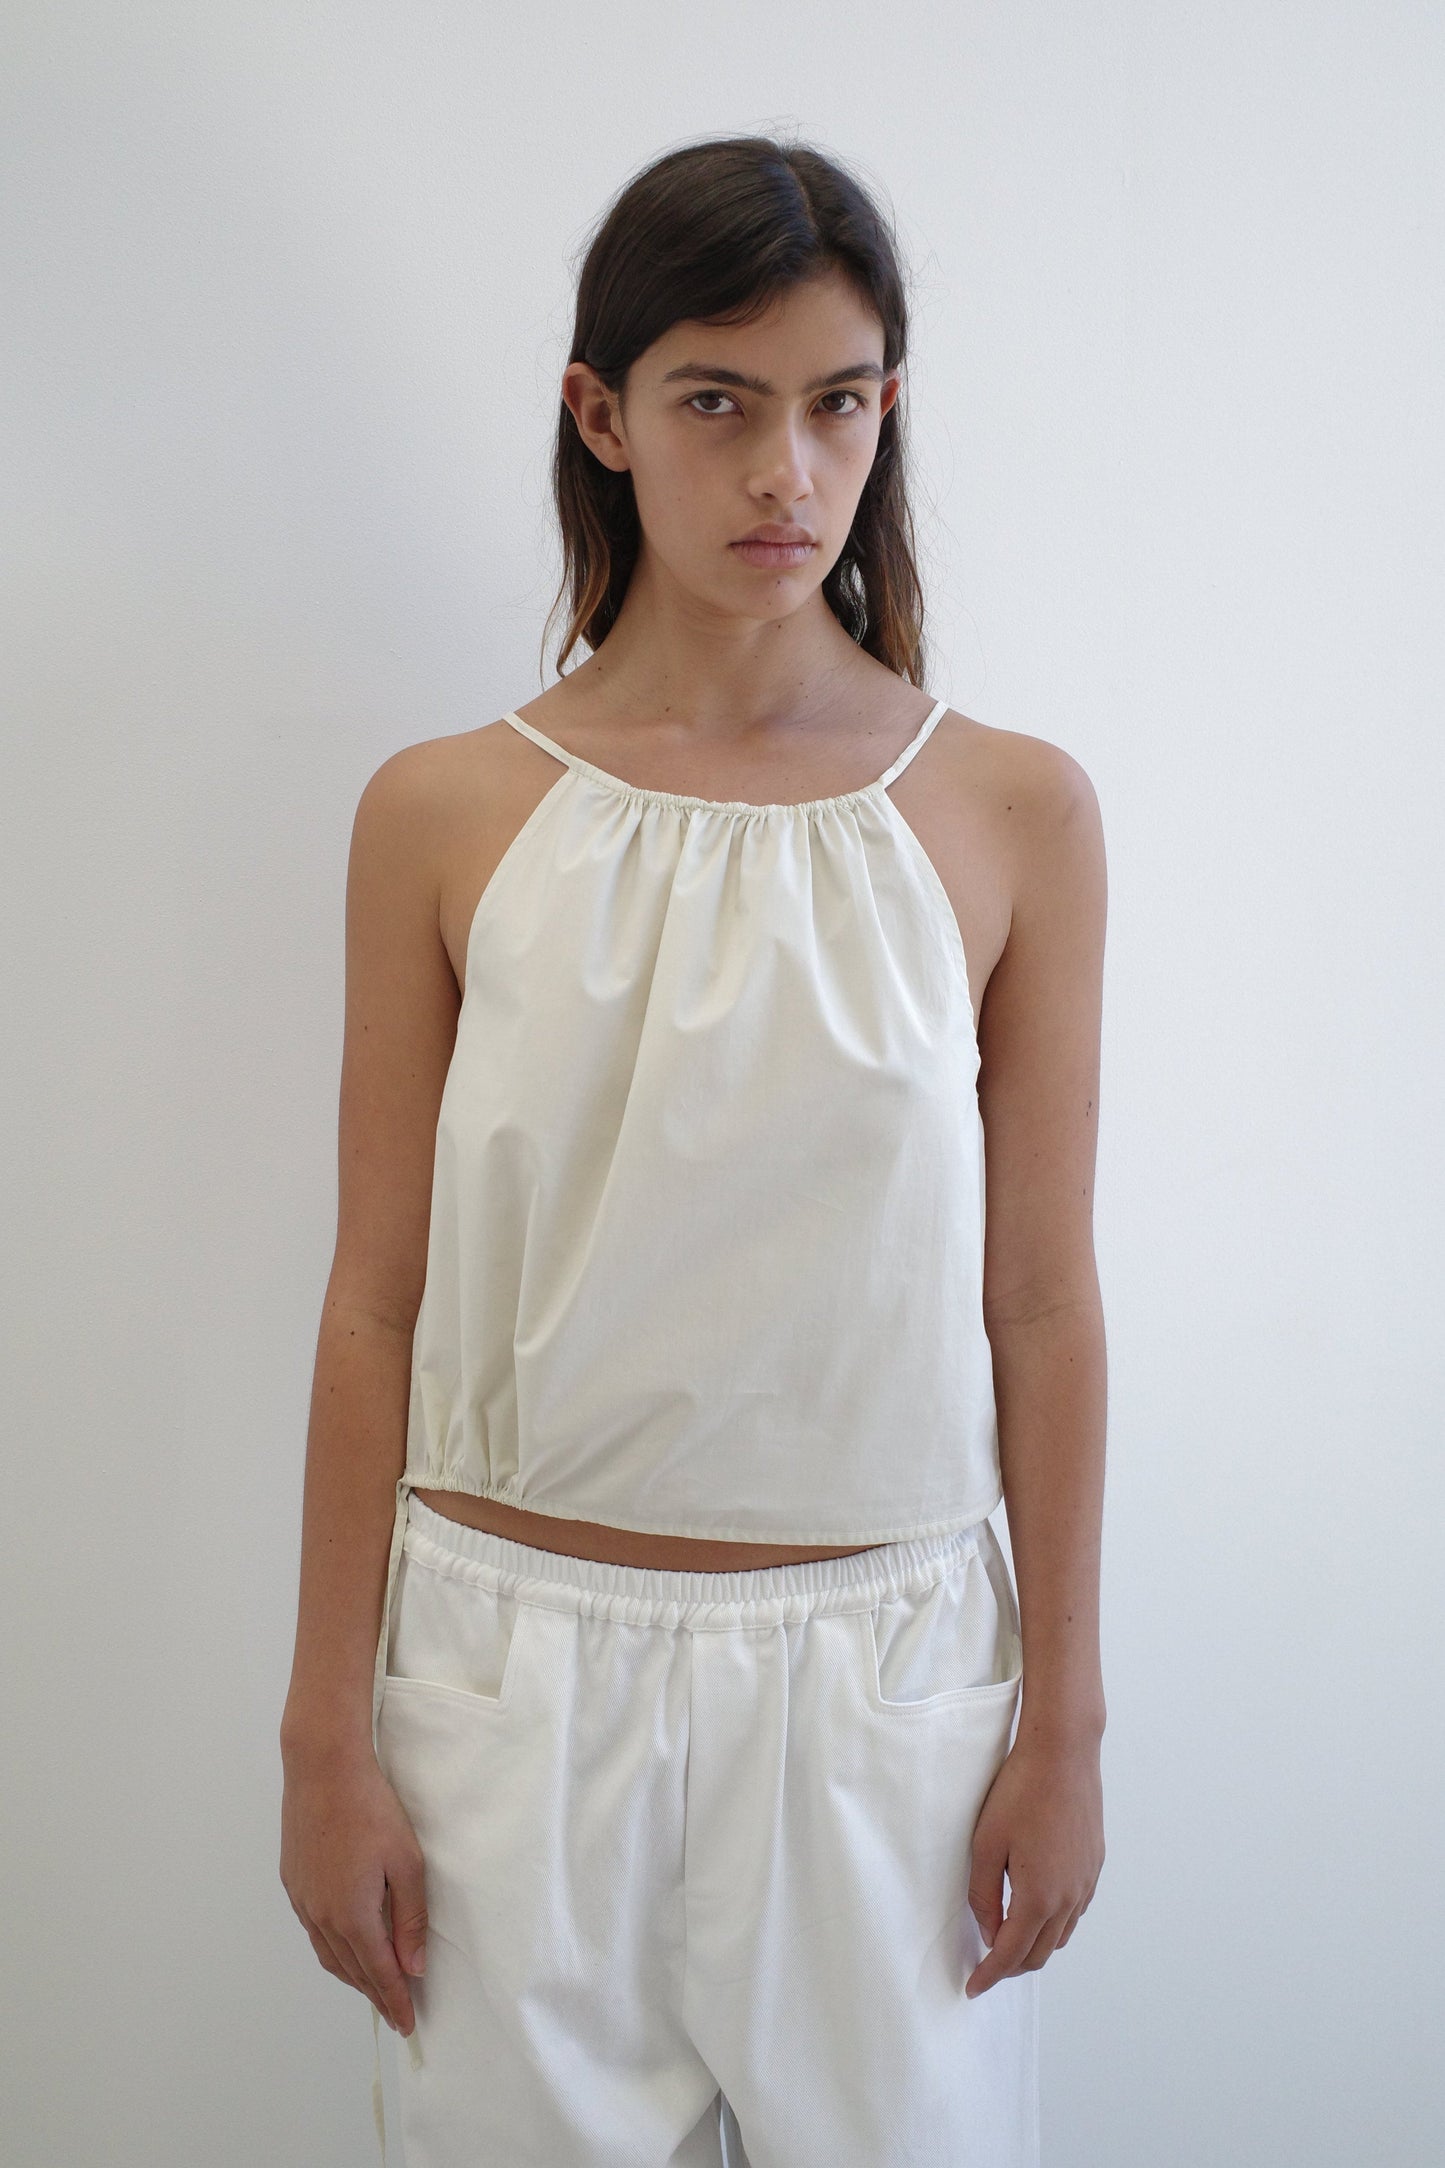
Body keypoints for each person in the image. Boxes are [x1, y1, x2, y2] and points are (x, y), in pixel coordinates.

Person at [279, 132, 1107, 2168]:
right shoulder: (448, 812)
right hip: (505, 1680)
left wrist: (1066, 1719)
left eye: (837, 405)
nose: (782, 473)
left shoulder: (1008, 812)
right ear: (603, 413)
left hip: (887, 1698)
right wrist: (323, 1731)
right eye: (719, 403)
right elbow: (375, 1295)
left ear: (884, 411)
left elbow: (1043, 1301)